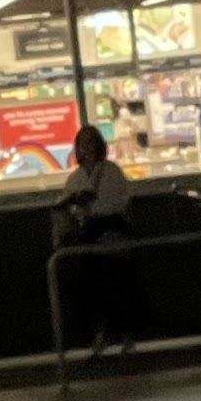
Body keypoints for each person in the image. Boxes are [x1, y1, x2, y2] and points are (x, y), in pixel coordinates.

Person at [55, 126, 135, 357]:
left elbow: (119, 204)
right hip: (96, 238)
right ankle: (109, 331)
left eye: (91, 143)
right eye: (83, 144)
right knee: (97, 285)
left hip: (108, 232)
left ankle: (116, 332)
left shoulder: (111, 172)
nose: (87, 148)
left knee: (111, 283)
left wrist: (86, 208)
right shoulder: (76, 178)